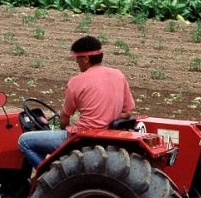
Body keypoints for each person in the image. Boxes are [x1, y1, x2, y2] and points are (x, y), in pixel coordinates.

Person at [18, 35, 136, 169]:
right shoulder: (118, 75)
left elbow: (63, 119)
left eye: (77, 58)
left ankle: (47, 175)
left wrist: (63, 134)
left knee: (24, 141)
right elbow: (127, 112)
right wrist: (109, 117)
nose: (76, 62)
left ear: (85, 59)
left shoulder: (77, 81)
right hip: (107, 135)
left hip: (82, 137)